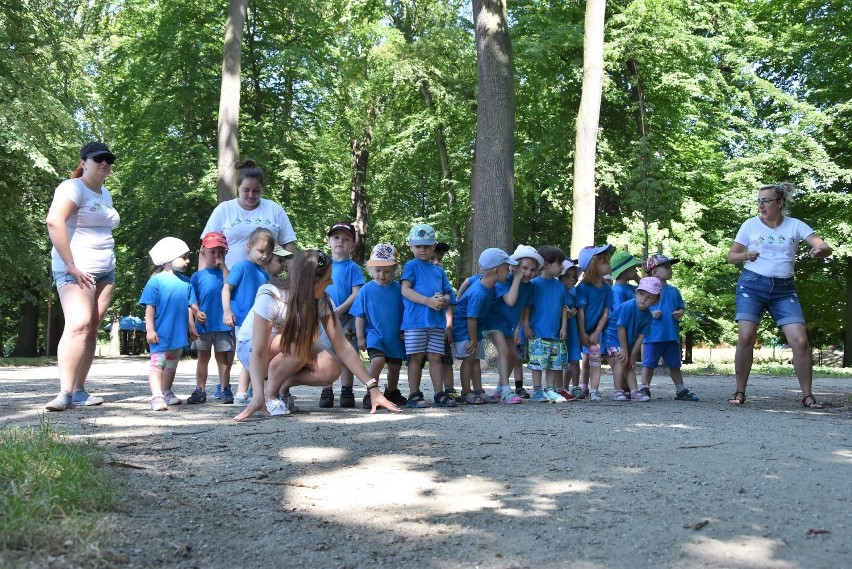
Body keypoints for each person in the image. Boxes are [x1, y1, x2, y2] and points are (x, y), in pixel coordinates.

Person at [234, 250, 401, 421]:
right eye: (327, 278)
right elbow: (258, 351)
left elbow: (342, 345)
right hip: (252, 349)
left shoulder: (322, 300)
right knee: (301, 342)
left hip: (292, 347)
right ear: (311, 281)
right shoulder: (271, 296)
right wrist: (258, 395)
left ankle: (281, 385)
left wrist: (373, 387)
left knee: (331, 367)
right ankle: (270, 395)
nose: (331, 282)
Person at [726, 182, 832, 408]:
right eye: (759, 201)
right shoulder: (750, 225)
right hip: (751, 285)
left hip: (784, 289)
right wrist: (746, 255)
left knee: (801, 341)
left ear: (780, 202)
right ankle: (739, 391)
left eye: (766, 201)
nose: (761, 205)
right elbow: (731, 256)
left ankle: (807, 395)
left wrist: (819, 250)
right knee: (746, 337)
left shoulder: (795, 225)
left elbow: (823, 246)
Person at [45, 142, 121, 411]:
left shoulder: (105, 194)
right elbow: (54, 221)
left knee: (91, 330)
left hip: (105, 269)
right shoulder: (72, 188)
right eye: (98, 158)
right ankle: (64, 392)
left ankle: (78, 390)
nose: (105, 163)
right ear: (84, 162)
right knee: (78, 325)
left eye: (109, 159)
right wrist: (71, 265)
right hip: (76, 268)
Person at [200, 159, 296, 270]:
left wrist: (293, 279)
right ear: (238, 187)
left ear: (262, 189)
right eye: (246, 190)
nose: (251, 195)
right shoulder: (224, 210)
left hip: (267, 281)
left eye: (256, 190)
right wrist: (202, 279)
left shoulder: (275, 210)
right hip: (230, 281)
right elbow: (206, 247)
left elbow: (288, 245)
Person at [400, 223, 456, 408]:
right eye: (418, 246)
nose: (422, 249)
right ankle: (414, 394)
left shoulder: (439, 271)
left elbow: (450, 294)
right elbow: (405, 290)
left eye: (426, 246)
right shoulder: (411, 266)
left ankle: (439, 393)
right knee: (415, 357)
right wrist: (427, 301)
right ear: (411, 247)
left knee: (435, 357)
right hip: (415, 322)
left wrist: (442, 300)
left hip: (436, 323)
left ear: (433, 247)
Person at [139, 238, 197, 411]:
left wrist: (193, 327)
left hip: (178, 334)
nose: (187, 261)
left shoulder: (186, 282)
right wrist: (150, 329)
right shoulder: (156, 281)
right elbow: (150, 307)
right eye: (184, 257)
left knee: (172, 365)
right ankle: (156, 396)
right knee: (158, 364)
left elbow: (189, 307)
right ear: (169, 259)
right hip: (161, 333)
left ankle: (166, 391)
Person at [453, 248, 516, 405]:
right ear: (496, 270)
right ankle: (466, 392)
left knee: (475, 360)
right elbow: (471, 318)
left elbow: (468, 280)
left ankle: (479, 391)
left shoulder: (487, 282)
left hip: (474, 329)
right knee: (469, 360)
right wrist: (473, 339)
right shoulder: (479, 293)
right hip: (465, 329)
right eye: (507, 268)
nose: (509, 272)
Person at [352, 244, 408, 409]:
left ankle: (391, 392)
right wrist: (360, 336)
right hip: (374, 334)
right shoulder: (366, 290)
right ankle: (371, 391)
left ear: (394, 270)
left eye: (386, 271)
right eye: (378, 270)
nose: (382, 274)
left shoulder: (399, 289)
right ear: (371, 269)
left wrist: (406, 329)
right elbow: (359, 314)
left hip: (395, 336)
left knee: (395, 367)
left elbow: (407, 311)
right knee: (377, 361)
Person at [223, 227, 275, 404]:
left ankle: (254, 392)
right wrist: (227, 310)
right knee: (249, 356)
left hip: (259, 321)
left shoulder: (264, 273)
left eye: (268, 253)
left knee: (259, 355)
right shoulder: (241, 267)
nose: (264, 256)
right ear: (249, 246)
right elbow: (226, 288)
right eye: (260, 251)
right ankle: (241, 394)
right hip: (241, 320)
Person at [640, 254, 699, 401]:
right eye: (666, 267)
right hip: (653, 335)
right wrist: (651, 313)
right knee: (649, 365)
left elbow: (681, 307)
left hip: (671, 335)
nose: (670, 270)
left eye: (670, 267)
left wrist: (680, 313)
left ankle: (681, 390)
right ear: (654, 272)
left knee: (674, 365)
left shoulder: (674, 291)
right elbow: (640, 308)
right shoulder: (646, 291)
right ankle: (644, 388)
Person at [320, 221, 365, 408]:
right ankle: (326, 389)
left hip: (346, 319)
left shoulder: (353, 268)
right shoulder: (322, 265)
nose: (340, 242)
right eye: (336, 238)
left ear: (352, 245)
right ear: (328, 241)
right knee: (326, 353)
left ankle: (347, 390)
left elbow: (357, 293)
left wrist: (339, 311)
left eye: (346, 239)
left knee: (348, 353)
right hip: (324, 318)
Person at [188, 232, 235, 404]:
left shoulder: (228, 273)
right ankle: (200, 390)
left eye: (220, 252)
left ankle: (225, 389)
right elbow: (192, 299)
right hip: (204, 325)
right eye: (212, 252)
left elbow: (229, 286)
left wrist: (224, 268)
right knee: (203, 357)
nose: (216, 256)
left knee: (223, 358)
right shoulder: (198, 276)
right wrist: (196, 311)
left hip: (223, 325)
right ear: (203, 252)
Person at [523, 246, 569, 403]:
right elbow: (527, 306)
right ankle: (537, 391)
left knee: (554, 364)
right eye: (559, 262)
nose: (562, 266)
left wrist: (564, 327)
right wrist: (526, 325)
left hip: (556, 333)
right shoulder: (533, 285)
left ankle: (550, 389)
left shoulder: (560, 286)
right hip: (538, 333)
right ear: (547, 264)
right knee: (537, 363)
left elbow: (564, 307)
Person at [605, 277, 661, 402]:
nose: (644, 299)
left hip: (626, 340)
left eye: (649, 297)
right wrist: (625, 349)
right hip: (612, 336)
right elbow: (620, 327)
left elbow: (641, 336)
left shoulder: (647, 316)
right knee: (621, 360)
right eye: (641, 294)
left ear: (655, 301)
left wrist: (633, 355)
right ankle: (618, 391)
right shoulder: (629, 307)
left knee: (630, 364)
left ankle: (634, 391)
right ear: (636, 293)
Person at [575, 244, 615, 402]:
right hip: (579, 330)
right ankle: (577, 386)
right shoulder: (583, 288)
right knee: (576, 360)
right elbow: (580, 312)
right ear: (593, 265)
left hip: (596, 331)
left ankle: (594, 390)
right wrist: (582, 333)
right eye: (604, 261)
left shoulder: (607, 289)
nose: (608, 264)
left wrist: (597, 332)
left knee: (595, 359)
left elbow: (605, 313)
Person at [603, 251, 641, 398]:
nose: (636, 270)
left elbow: (649, 289)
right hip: (617, 332)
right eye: (633, 268)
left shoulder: (631, 288)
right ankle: (618, 390)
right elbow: (620, 313)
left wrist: (637, 277)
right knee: (620, 361)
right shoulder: (618, 290)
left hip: (628, 331)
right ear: (624, 270)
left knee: (626, 361)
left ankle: (627, 388)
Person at [558, 259, 581, 401]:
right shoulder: (559, 291)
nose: (572, 279)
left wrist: (573, 312)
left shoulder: (573, 292)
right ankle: (559, 387)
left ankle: (567, 387)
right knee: (561, 360)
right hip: (561, 329)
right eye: (568, 276)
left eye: (574, 276)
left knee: (572, 360)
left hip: (572, 329)